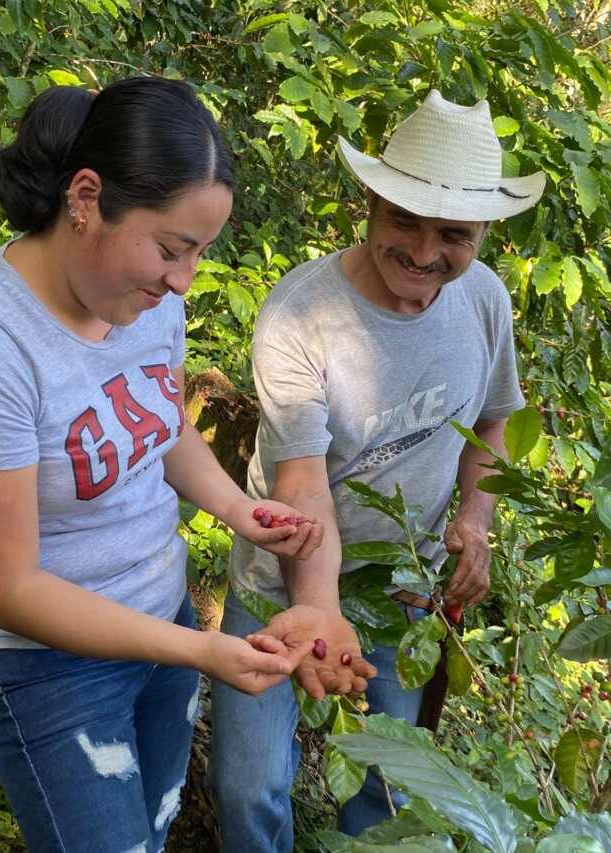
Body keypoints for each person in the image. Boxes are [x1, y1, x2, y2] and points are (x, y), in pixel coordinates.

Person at [0, 76, 324, 853]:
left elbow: (158, 421)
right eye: (172, 248)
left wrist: (242, 512)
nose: (182, 280)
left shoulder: (146, 297)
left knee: (152, 834)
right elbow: (6, 587)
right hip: (48, 667)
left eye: (199, 253)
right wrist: (202, 648)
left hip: (157, 619)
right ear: (86, 196)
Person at [207, 89, 546, 850]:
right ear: (370, 199)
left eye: (454, 234)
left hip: (406, 594)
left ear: (486, 230)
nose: (425, 253)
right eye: (404, 221)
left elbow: (492, 419)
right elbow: (302, 484)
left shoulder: (484, 302)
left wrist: (476, 518)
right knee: (249, 782)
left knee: (388, 790)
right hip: (278, 591)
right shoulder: (300, 315)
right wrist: (320, 613)